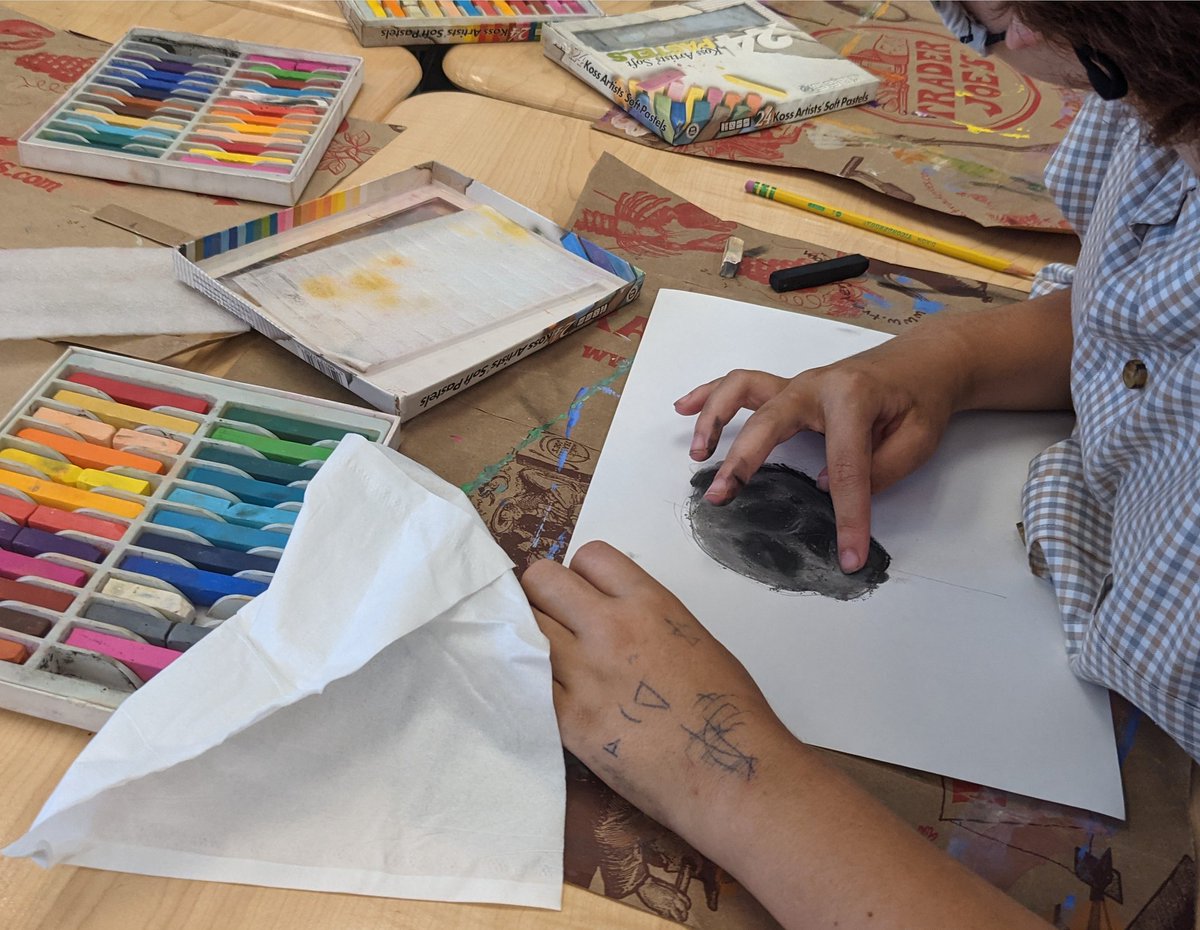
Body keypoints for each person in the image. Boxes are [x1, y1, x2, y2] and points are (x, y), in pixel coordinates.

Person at [521, 3, 1200, 927]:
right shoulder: (1151, 94)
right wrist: (945, 362)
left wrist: (722, 771)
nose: (995, 44)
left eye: (1009, 16)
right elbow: (1130, 313)